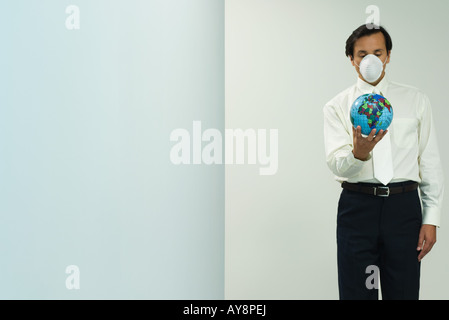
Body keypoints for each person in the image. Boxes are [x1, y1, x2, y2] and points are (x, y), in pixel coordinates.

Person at [323, 24, 444, 300]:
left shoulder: (416, 100)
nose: (370, 61)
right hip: (358, 208)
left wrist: (431, 218)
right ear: (352, 60)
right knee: (357, 293)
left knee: (403, 292)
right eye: (362, 54)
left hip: (404, 208)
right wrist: (359, 154)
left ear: (388, 55)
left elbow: (430, 161)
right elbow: (335, 163)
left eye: (377, 53)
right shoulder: (337, 106)